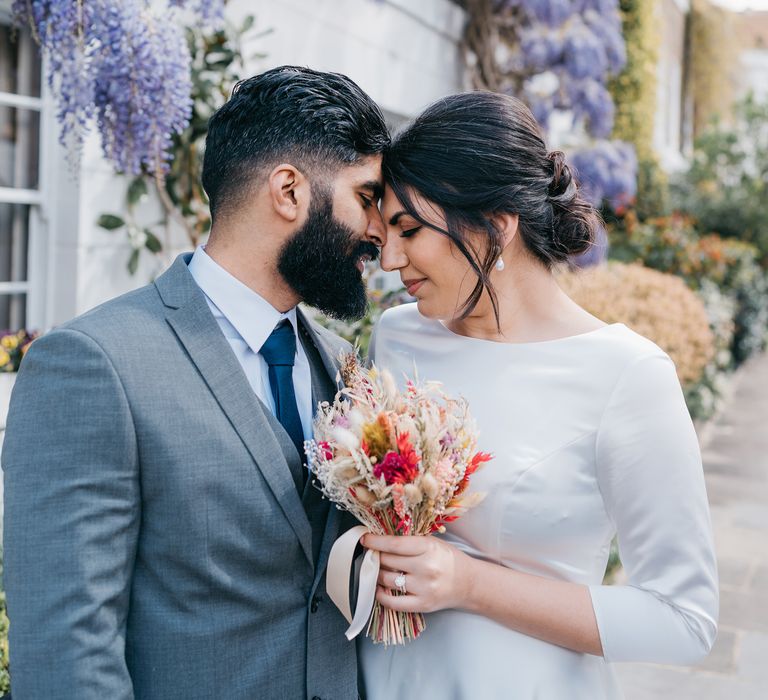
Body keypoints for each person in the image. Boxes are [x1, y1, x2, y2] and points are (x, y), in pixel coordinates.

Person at [2, 65, 388, 699]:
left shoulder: (345, 366)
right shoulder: (94, 365)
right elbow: (66, 656)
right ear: (288, 190)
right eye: (367, 197)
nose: (377, 231)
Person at [358, 91, 718, 699]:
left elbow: (684, 620)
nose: (390, 259)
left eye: (409, 230)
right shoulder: (397, 336)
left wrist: (469, 584)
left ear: (498, 226)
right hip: (384, 678)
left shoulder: (626, 375)